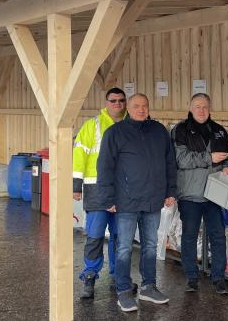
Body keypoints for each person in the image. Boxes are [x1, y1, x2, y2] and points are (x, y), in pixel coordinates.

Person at [96, 93, 178, 313]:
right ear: (128, 109)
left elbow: (170, 162)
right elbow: (104, 167)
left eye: (144, 106)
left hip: (153, 200)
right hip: (127, 201)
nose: (141, 109)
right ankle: (123, 291)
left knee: (150, 245)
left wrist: (171, 190)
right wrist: (107, 198)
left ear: (148, 108)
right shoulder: (115, 133)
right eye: (136, 106)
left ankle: (148, 287)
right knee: (124, 247)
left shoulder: (159, 131)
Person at [172, 93, 228, 295]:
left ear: (210, 109)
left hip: (214, 193)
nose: (201, 110)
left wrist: (227, 166)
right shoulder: (181, 130)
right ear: (190, 108)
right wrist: (209, 158)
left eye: (205, 107)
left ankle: (219, 277)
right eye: (197, 107)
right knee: (189, 236)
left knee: (218, 236)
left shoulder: (219, 131)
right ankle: (192, 277)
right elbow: (181, 160)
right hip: (190, 194)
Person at [73, 87, 127, 299]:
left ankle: (118, 276)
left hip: (123, 190)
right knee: (95, 235)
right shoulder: (92, 125)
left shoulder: (131, 124)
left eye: (121, 100)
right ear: (106, 103)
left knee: (120, 236)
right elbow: (79, 155)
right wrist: (76, 185)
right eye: (113, 100)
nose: (117, 104)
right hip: (96, 190)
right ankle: (90, 275)